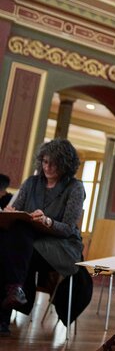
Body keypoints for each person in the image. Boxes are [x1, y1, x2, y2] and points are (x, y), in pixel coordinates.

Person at [0, 140, 86, 334]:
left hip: (60, 246)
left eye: (54, 163)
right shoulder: (32, 182)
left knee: (9, 248)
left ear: (65, 164)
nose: (47, 167)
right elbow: (17, 212)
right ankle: (14, 291)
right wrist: (9, 212)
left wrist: (47, 221)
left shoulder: (75, 187)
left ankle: (4, 316)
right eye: (45, 162)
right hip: (27, 243)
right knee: (12, 239)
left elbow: (68, 229)